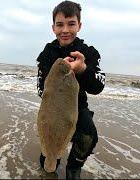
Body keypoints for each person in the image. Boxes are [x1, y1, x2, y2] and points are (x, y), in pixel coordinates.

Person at [36, 1, 105, 179]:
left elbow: (98, 86)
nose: (65, 30)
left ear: (79, 26)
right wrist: (57, 73)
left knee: (89, 135)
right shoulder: (46, 54)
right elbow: (40, 89)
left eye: (71, 24)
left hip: (77, 107)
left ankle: (74, 167)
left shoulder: (89, 53)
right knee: (48, 155)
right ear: (53, 28)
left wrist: (82, 69)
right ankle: (50, 159)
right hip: (51, 109)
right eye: (60, 25)